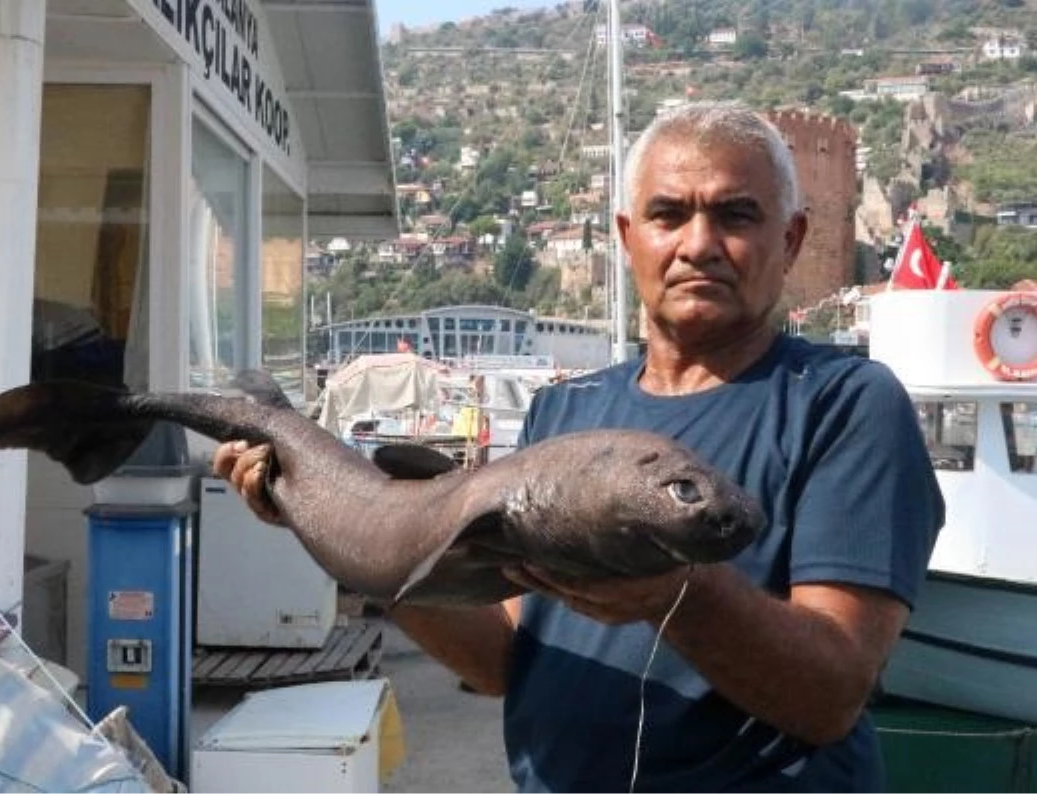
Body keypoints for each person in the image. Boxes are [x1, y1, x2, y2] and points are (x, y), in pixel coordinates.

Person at [213, 101, 944, 793]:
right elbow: (501, 657)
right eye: (668, 215)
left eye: (736, 214)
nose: (699, 244)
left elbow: (831, 694)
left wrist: (673, 595)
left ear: (789, 240)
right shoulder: (567, 410)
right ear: (629, 239)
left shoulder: (845, 404)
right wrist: (332, 533)